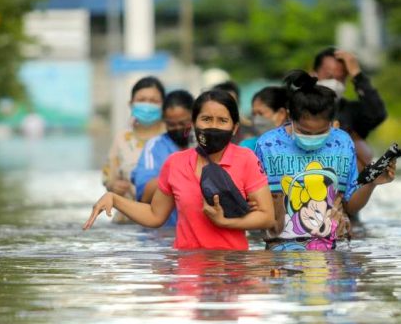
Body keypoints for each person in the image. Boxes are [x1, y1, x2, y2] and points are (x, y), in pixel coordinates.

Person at [84, 90, 275, 250]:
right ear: (193, 124)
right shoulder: (176, 163)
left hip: (232, 271)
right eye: (206, 119)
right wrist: (115, 199)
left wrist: (226, 223)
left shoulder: (246, 160)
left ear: (234, 128)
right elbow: (154, 215)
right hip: (187, 273)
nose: (213, 126)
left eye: (222, 120)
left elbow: (267, 217)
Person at [254, 71, 396, 251]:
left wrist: (371, 184)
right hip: (280, 251)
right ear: (290, 117)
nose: (313, 137)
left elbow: (350, 206)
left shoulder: (342, 143)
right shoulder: (269, 145)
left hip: (333, 253)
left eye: (321, 132)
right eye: (305, 132)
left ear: (332, 122)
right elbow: (257, 204)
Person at [312, 48, 387, 171]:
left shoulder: (350, 111)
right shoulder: (297, 108)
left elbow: (377, 114)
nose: (334, 82)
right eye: (329, 76)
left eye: (340, 78)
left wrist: (357, 74)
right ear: (314, 74)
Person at [101, 76, 166, 217]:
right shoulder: (122, 139)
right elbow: (108, 178)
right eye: (142, 100)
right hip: (128, 222)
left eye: (154, 101)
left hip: (165, 221)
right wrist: (113, 186)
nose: (147, 105)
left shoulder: (173, 137)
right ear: (131, 104)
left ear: (164, 105)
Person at [130, 90, 196, 226]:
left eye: (183, 123)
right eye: (171, 124)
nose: (178, 128)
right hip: (164, 232)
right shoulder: (154, 147)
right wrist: (181, 174)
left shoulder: (205, 145)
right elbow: (144, 195)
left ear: (194, 118)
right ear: (164, 121)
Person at [239, 86, 288, 150]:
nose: (256, 120)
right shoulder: (246, 147)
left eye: (260, 113)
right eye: (254, 114)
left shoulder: (297, 147)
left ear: (281, 114)